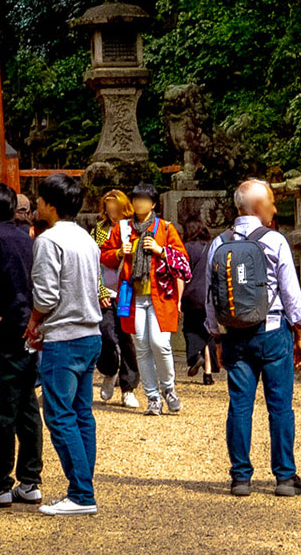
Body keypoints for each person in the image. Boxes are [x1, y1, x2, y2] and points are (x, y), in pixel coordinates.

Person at [208, 179, 301, 498]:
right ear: (259, 207)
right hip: (272, 331)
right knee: (280, 406)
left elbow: (212, 297)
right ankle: (284, 477)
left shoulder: (219, 243)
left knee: (240, 405)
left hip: (235, 334)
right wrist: (300, 332)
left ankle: (240, 478)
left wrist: (216, 337)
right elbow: (290, 292)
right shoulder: (274, 240)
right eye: (271, 202)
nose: (274, 209)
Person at [28, 173, 105, 516]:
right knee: (81, 414)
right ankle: (83, 487)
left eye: (40, 200)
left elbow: (45, 296)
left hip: (64, 336)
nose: (37, 205)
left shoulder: (48, 241)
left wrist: (33, 321)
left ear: (51, 204)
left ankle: (81, 493)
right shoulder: (86, 238)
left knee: (59, 415)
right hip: (90, 333)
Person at [0, 181, 43, 507]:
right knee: (27, 405)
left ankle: (0, 483)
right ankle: (30, 479)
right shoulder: (27, 237)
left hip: (3, 330)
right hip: (29, 326)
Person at [125, 184, 190, 415]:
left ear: (153, 204)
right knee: (142, 347)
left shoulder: (165, 228)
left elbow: (183, 261)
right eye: (136, 199)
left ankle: (169, 388)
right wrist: (120, 253)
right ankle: (152, 397)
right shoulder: (125, 228)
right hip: (134, 295)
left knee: (160, 343)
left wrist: (160, 250)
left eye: (144, 199)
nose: (139, 203)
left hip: (160, 295)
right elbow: (105, 255)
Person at [91, 191, 140, 408]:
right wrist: (99, 290)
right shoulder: (98, 230)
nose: (111, 212)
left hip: (127, 289)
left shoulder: (133, 228)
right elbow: (94, 261)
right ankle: (109, 370)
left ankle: (128, 387)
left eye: (114, 208)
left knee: (126, 338)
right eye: (107, 207)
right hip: (105, 291)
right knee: (105, 334)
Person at [181, 215, 216, 385]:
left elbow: (181, 274)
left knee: (190, 329)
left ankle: (195, 356)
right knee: (208, 334)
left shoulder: (186, 248)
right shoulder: (212, 247)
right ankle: (208, 374)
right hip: (209, 296)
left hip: (191, 295)